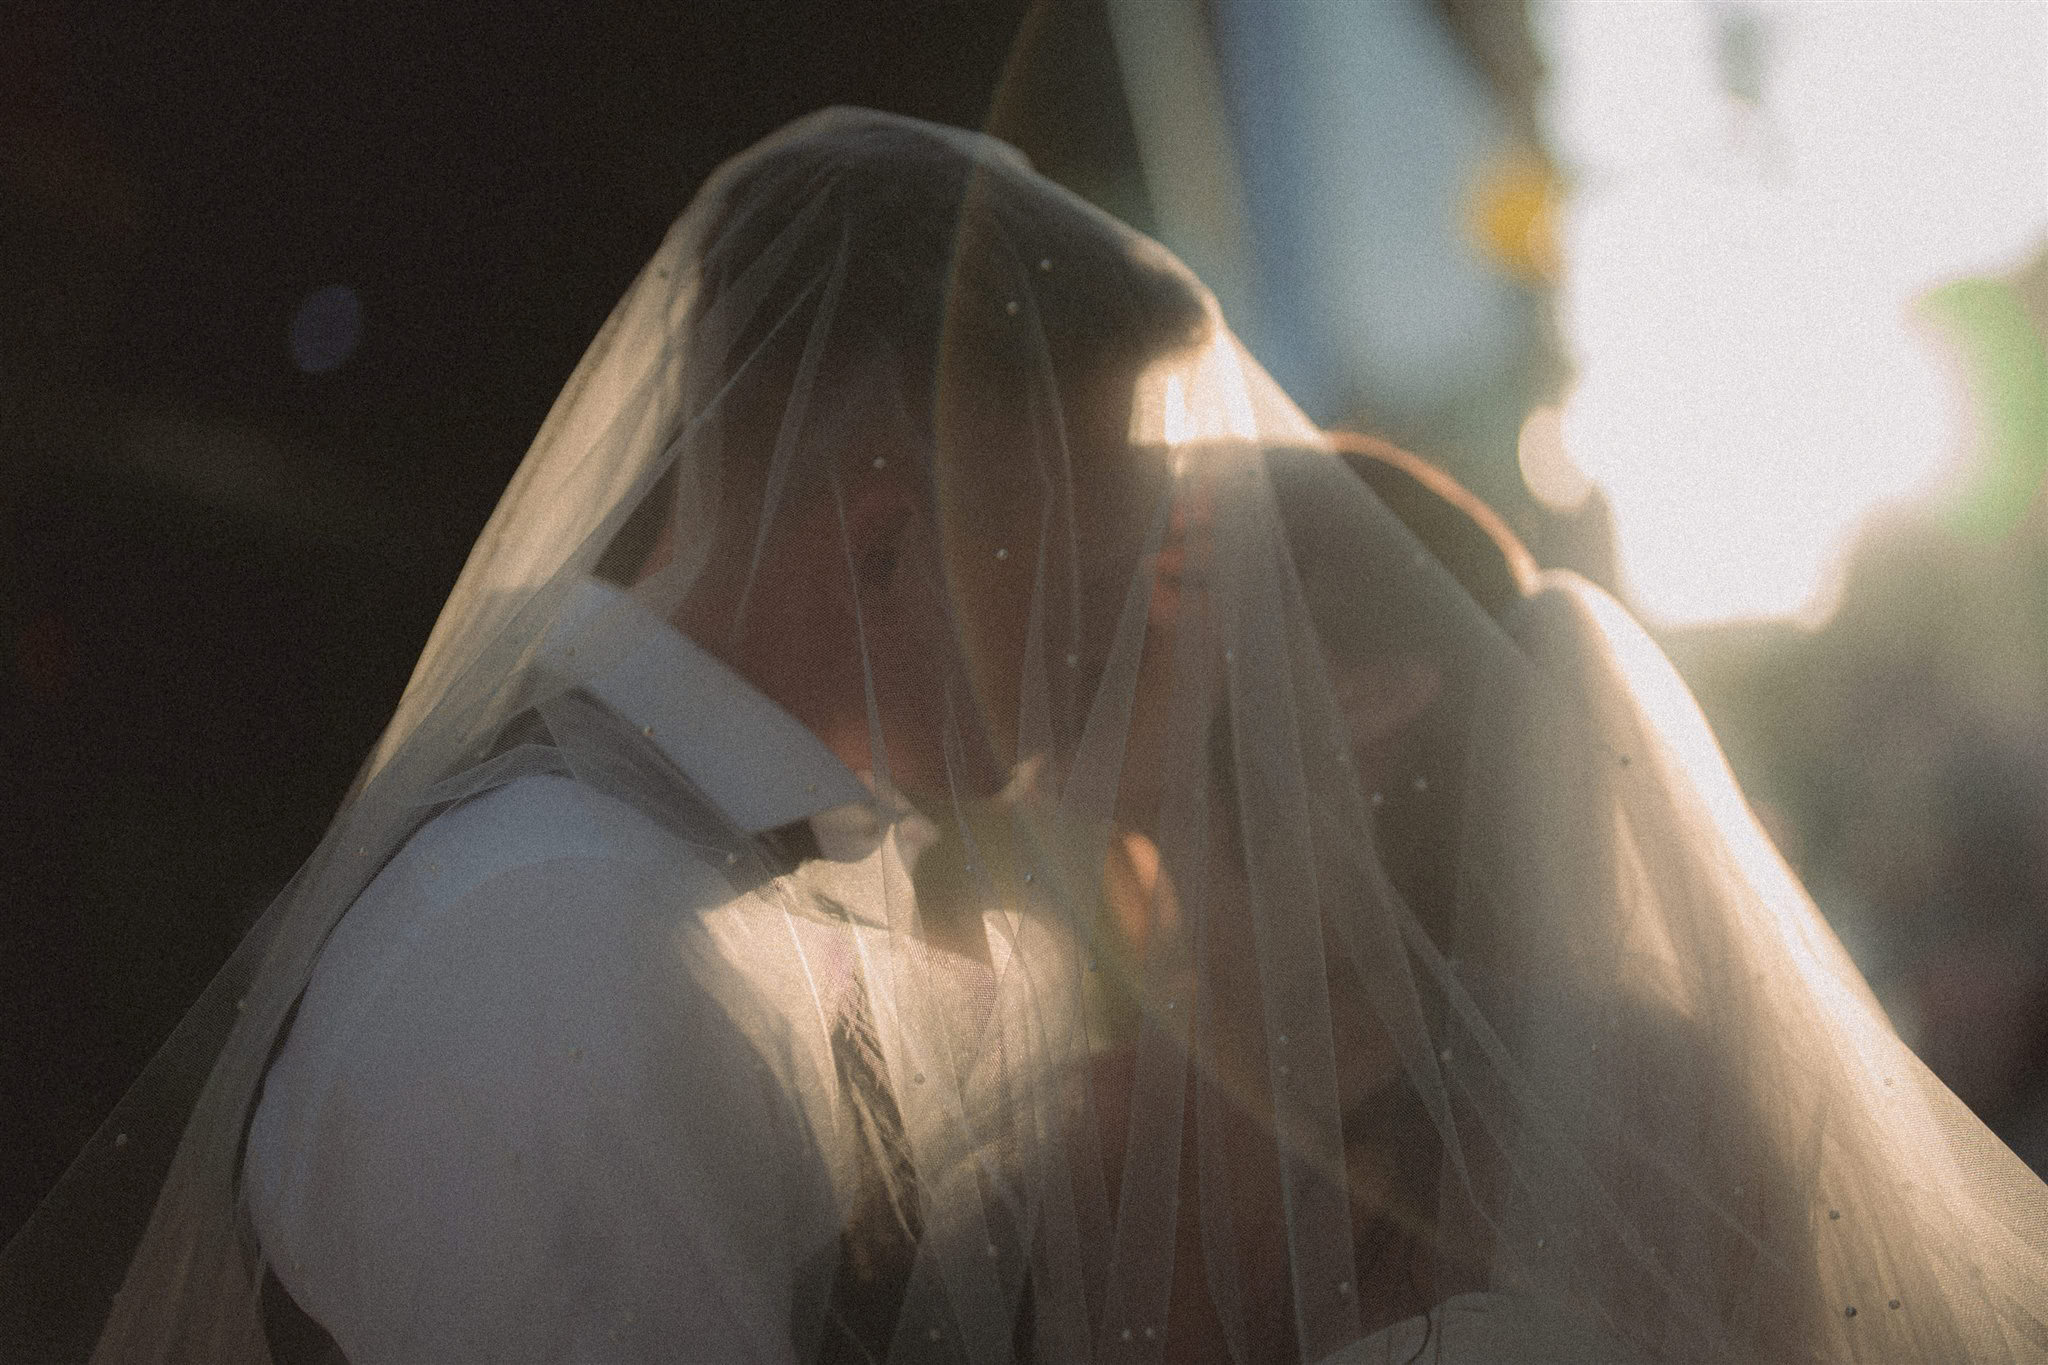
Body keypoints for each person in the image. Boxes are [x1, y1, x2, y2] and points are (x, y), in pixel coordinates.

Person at [6, 107, 2048, 1364]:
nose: (1106, 611)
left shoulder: (798, 927)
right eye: (1087, 536)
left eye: (1162, 576)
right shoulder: (552, 953)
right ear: (890, 533)